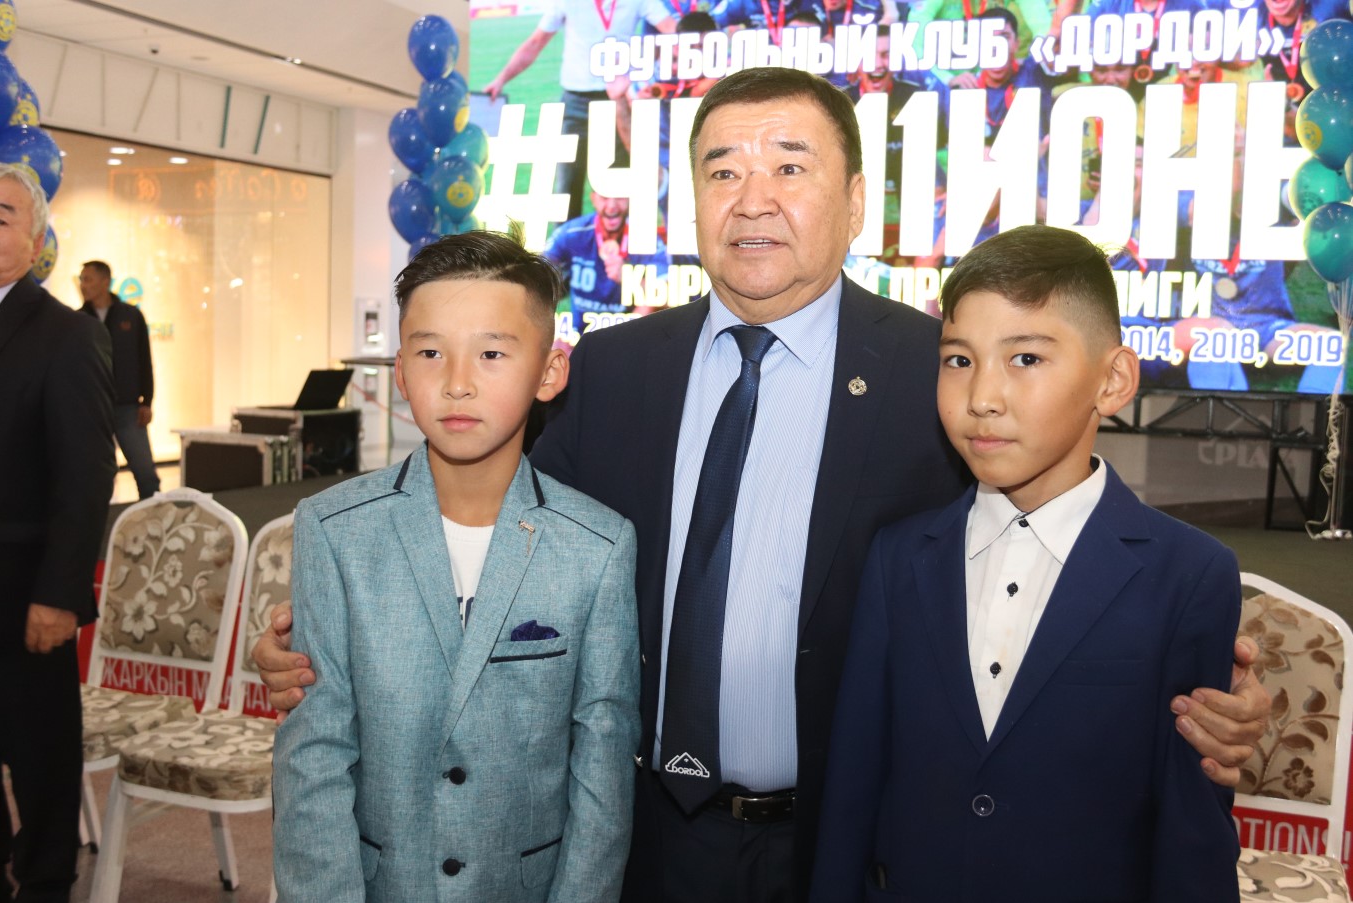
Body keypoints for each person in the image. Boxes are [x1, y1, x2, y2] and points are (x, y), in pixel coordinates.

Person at [258, 68, 1271, 902]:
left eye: (790, 166)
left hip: (840, 838)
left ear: (855, 200)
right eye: (723, 171)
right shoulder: (614, 370)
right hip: (635, 832)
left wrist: (1199, 689)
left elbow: (1043, 554)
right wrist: (323, 636)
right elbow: (496, 525)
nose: (752, 198)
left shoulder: (936, 373)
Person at [811, 225, 1241, 901]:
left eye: (1026, 358)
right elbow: (855, 785)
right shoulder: (900, 557)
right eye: (959, 359)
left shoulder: (1189, 574)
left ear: (1113, 381)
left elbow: (1192, 828)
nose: (983, 395)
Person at [271, 231, 641, 902]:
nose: (458, 382)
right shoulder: (334, 530)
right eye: (430, 352)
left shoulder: (598, 545)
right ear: (400, 370)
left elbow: (602, 773)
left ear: (549, 371)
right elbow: (314, 758)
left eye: (492, 353)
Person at [0, 163, 116, 903]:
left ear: (38, 239)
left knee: (39, 752)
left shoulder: (65, 335)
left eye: (2, 215)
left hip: (25, 587)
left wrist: (60, 593)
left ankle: (45, 879)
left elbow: (85, 475)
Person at [483, 0, 675, 220]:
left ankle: (622, 242)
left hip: (618, 101)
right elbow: (536, 42)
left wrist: (644, 72)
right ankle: (563, 241)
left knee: (619, 186)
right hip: (576, 102)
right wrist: (501, 79)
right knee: (567, 184)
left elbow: (673, 33)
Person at [78, 260, 159, 500]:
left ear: (106, 282)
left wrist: (147, 401)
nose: (83, 285)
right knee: (94, 477)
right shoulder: (77, 320)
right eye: (81, 279)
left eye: (88, 279)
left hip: (128, 408)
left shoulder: (131, 316)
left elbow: (144, 360)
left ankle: (154, 517)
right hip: (91, 410)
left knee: (146, 474)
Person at [544, 190, 669, 335]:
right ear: (593, 199)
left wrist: (630, 278)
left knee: (653, 302)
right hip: (577, 336)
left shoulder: (646, 238)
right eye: (604, 197)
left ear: (630, 199)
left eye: (620, 197)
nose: (612, 206)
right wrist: (556, 337)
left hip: (626, 334)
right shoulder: (572, 233)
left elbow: (672, 295)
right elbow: (536, 274)